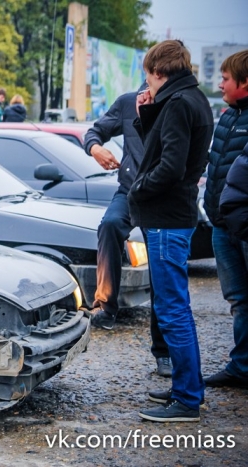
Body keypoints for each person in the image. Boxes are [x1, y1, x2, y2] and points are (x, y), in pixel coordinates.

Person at [129, 40, 213, 422]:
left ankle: (187, 399)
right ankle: (186, 389)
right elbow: (163, 149)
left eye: (147, 74)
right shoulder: (191, 98)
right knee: (175, 308)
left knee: (173, 310)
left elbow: (170, 166)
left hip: (167, 220)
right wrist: (147, 115)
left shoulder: (179, 103)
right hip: (173, 217)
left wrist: (137, 189)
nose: (147, 82)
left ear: (158, 71)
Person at [83, 83, 172, 378]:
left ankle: (163, 353)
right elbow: (94, 132)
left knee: (161, 271)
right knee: (109, 224)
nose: (145, 97)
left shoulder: (175, 104)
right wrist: (95, 148)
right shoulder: (126, 103)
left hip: (160, 196)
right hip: (129, 191)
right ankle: (105, 307)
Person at [203, 50, 248, 389]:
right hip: (222, 224)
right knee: (238, 300)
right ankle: (241, 367)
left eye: (226, 79)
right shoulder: (229, 118)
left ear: (244, 83)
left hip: (244, 225)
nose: (220, 84)